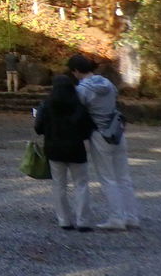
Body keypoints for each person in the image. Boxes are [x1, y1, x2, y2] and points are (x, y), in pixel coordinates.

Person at [68, 54, 140, 231]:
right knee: (123, 176)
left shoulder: (82, 90)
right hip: (117, 130)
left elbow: (79, 110)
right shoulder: (107, 83)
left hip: (100, 133)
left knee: (107, 178)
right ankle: (131, 216)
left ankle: (117, 217)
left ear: (76, 71)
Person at [34, 74, 94, 231]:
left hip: (54, 148)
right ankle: (83, 221)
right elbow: (87, 130)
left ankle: (64, 220)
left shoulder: (47, 106)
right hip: (76, 149)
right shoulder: (79, 106)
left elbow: (38, 128)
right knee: (81, 185)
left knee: (59, 185)